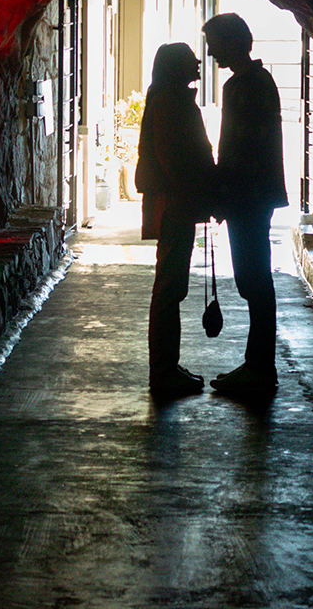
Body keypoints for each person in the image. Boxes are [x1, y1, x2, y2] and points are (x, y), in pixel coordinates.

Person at [201, 12, 287, 395]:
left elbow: (239, 148)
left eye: (214, 44)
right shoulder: (255, 83)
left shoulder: (243, 87)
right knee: (254, 279)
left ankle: (259, 368)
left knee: (254, 280)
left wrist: (223, 193)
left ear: (231, 42)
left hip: (246, 197)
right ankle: (258, 365)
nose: (210, 53)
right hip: (254, 195)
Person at [134, 42, 215, 398]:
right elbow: (175, 161)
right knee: (169, 288)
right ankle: (163, 371)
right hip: (175, 205)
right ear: (177, 67)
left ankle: (168, 365)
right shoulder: (171, 102)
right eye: (191, 61)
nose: (198, 64)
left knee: (171, 286)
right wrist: (203, 191)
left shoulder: (168, 97)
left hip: (175, 203)